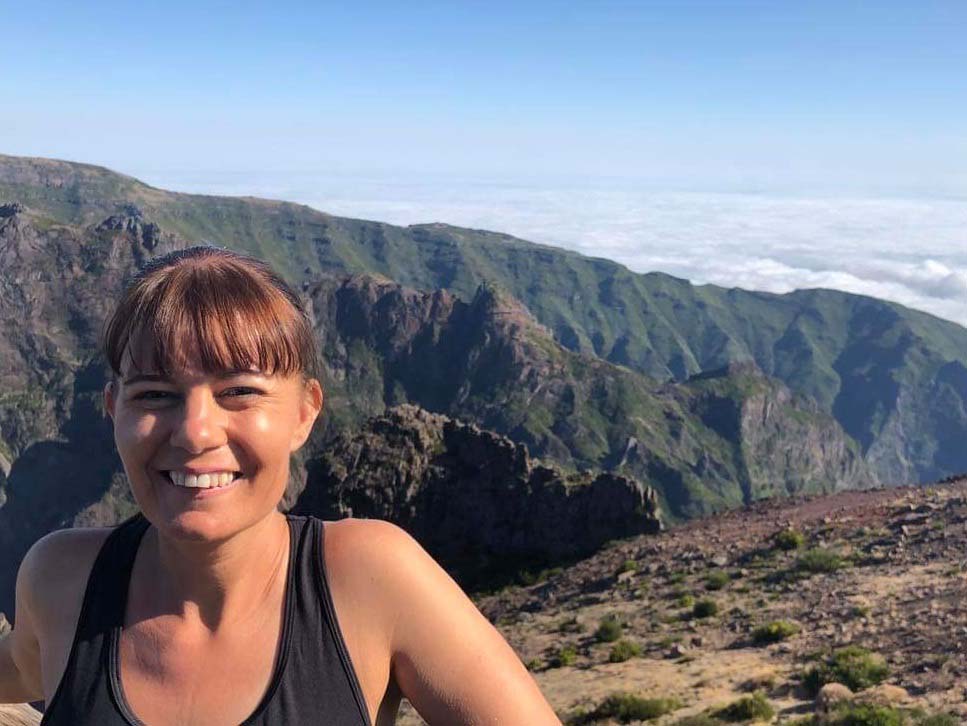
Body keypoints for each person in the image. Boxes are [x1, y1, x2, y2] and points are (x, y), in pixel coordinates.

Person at [0, 246, 560, 725]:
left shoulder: (369, 580)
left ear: (303, 413)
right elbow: (20, 667)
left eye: (240, 391)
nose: (196, 433)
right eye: (153, 394)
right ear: (112, 411)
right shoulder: (60, 578)